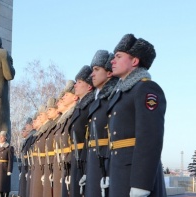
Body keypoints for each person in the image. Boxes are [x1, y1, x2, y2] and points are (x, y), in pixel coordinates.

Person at [107, 34, 166, 197]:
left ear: (134, 61)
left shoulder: (146, 89)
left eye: (118, 56)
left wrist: (141, 183)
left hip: (136, 177)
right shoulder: (122, 94)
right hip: (120, 174)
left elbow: (150, 138)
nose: (113, 61)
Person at [84, 50, 118, 197]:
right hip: (95, 163)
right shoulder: (98, 100)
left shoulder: (113, 96)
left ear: (109, 73)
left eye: (97, 69)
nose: (92, 74)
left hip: (107, 163)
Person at [69, 65, 95, 197]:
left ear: (89, 86)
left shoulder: (91, 105)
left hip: (85, 158)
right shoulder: (80, 107)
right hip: (76, 157)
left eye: (79, 82)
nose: (75, 85)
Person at [52, 81, 78, 197]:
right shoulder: (64, 119)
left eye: (66, 95)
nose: (61, 100)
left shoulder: (75, 114)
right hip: (63, 161)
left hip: (73, 161)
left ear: (75, 97)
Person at [0, 130, 14, 197]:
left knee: (5, 187)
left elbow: (10, 160)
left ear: (5, 138)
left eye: (2, 137)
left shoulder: (9, 148)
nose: (0, 138)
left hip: (5, 169)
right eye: (0, 137)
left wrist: (9, 170)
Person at [18, 118, 35, 197]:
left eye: (27, 125)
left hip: (29, 163)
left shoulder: (33, 135)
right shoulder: (29, 137)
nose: (26, 126)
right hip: (25, 163)